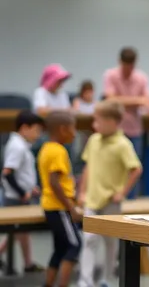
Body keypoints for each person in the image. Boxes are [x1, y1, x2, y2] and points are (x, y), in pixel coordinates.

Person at [77, 100, 143, 287]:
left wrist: (122, 192)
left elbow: (136, 169)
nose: (94, 125)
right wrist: (82, 192)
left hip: (110, 201)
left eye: (97, 121)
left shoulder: (123, 144)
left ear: (112, 121)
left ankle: (107, 278)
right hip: (92, 199)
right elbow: (88, 167)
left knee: (110, 242)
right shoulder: (93, 140)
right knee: (89, 239)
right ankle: (85, 280)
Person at [38, 110, 82, 287]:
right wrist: (70, 207)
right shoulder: (58, 151)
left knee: (61, 248)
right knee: (75, 245)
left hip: (51, 206)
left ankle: (48, 284)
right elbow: (54, 182)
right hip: (59, 207)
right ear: (63, 129)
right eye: (73, 128)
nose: (75, 132)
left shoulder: (46, 148)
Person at [0, 111, 45, 274]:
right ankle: (27, 264)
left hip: (19, 194)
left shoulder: (22, 145)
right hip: (15, 197)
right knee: (19, 232)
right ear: (25, 128)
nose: (38, 135)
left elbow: (20, 172)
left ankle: (28, 263)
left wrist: (30, 187)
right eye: (36, 130)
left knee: (21, 232)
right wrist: (22, 192)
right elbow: (8, 173)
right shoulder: (17, 146)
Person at [103, 47, 149, 162]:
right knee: (114, 165)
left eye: (131, 67)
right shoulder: (110, 75)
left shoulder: (142, 78)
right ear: (120, 62)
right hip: (114, 130)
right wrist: (138, 101)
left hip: (134, 130)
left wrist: (120, 100)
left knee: (134, 165)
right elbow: (110, 100)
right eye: (126, 66)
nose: (128, 70)